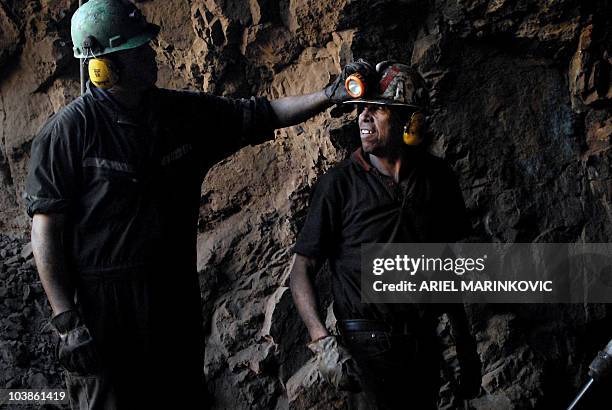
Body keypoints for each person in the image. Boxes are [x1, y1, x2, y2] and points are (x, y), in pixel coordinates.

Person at [25, 0, 372, 408]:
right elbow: (45, 228)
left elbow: (263, 114)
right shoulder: (68, 132)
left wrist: (330, 94)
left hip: (173, 299)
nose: (152, 56)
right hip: (104, 311)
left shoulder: (180, 114)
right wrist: (67, 320)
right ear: (104, 68)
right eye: (139, 51)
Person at [289, 60, 482, 409]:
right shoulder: (340, 185)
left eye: (377, 109)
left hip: (423, 342)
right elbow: (301, 269)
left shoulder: (436, 179)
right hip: (364, 348)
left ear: (409, 120)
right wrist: (322, 341)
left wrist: (463, 342)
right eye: (361, 109)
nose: (363, 117)